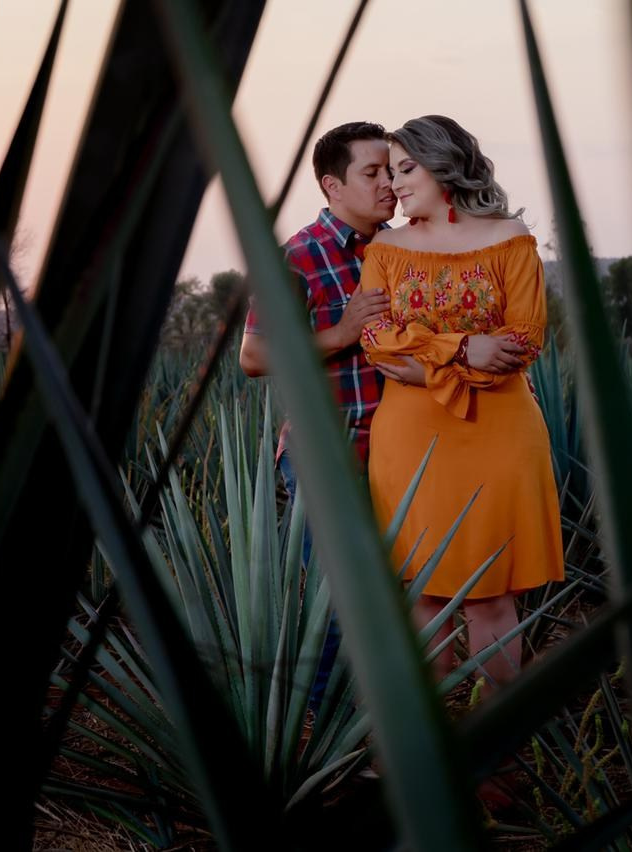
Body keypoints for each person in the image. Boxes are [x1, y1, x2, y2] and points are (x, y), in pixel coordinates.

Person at [358, 115, 565, 690]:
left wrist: (425, 365)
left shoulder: (511, 240)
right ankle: (428, 746)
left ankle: (494, 754)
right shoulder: (387, 248)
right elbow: (377, 343)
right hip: (411, 437)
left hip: (499, 432)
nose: (393, 185)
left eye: (405, 169)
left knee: (490, 596)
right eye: (388, 172)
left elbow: (524, 342)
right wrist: (465, 348)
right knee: (424, 590)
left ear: (444, 166)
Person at [239, 121, 396, 711]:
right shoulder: (301, 254)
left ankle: (377, 721)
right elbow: (253, 356)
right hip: (326, 453)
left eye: (391, 170)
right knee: (338, 597)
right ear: (333, 185)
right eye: (372, 173)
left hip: (398, 452)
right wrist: (342, 333)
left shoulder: (402, 248)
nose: (388, 184)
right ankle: (328, 733)